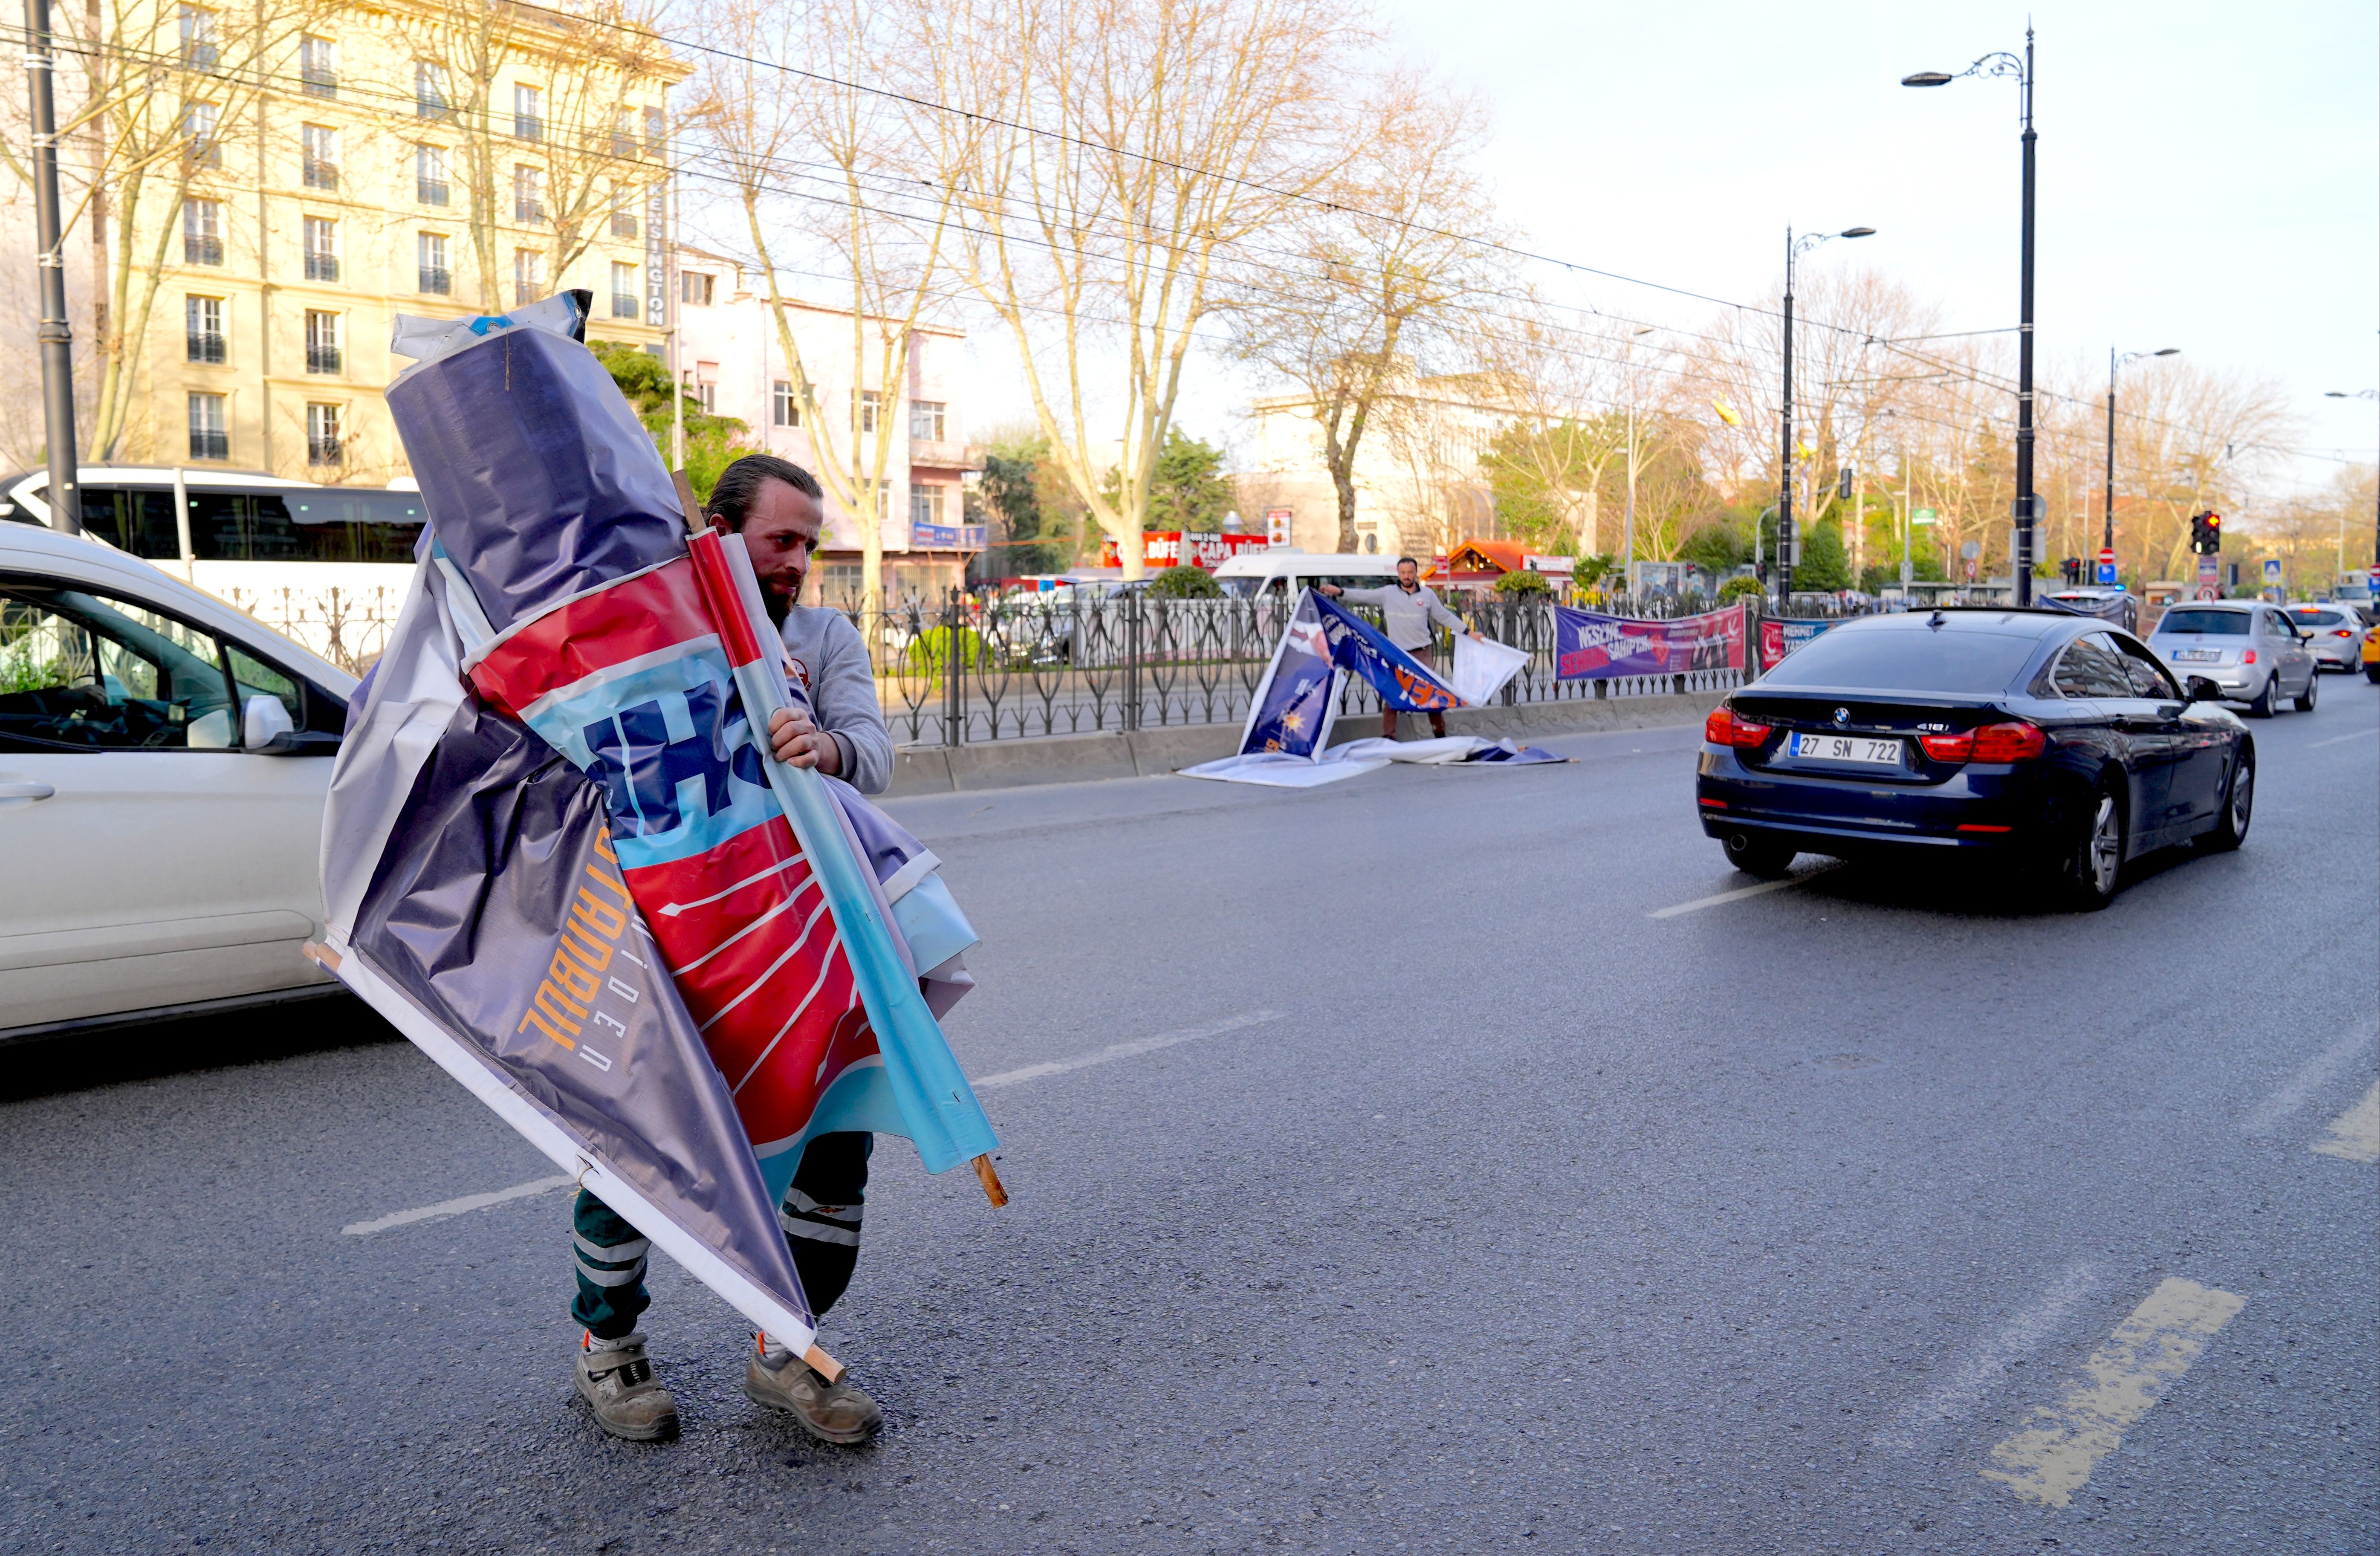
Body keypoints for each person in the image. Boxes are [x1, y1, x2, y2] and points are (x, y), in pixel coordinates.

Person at [570, 454, 894, 1448]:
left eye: (808, 544)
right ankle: (609, 1348)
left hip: (806, 939)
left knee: (833, 1139)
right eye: (779, 539)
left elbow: (873, 753)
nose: (796, 560)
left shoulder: (823, 639)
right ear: (718, 533)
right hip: (672, 939)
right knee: (640, 1140)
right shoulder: (652, 636)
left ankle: (788, 1348)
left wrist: (825, 747)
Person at [1319, 558, 1482, 739]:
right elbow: (1364, 596)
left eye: (1410, 572)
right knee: (1393, 692)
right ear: (1398, 573)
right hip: (1397, 654)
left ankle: (1439, 733)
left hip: (1422, 652)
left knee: (1429, 691)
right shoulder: (1388, 593)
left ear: (1416, 573)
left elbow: (1444, 616)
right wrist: (1339, 592)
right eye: (1403, 573)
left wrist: (1469, 632)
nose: (1407, 576)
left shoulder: (1427, 595)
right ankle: (1390, 736)